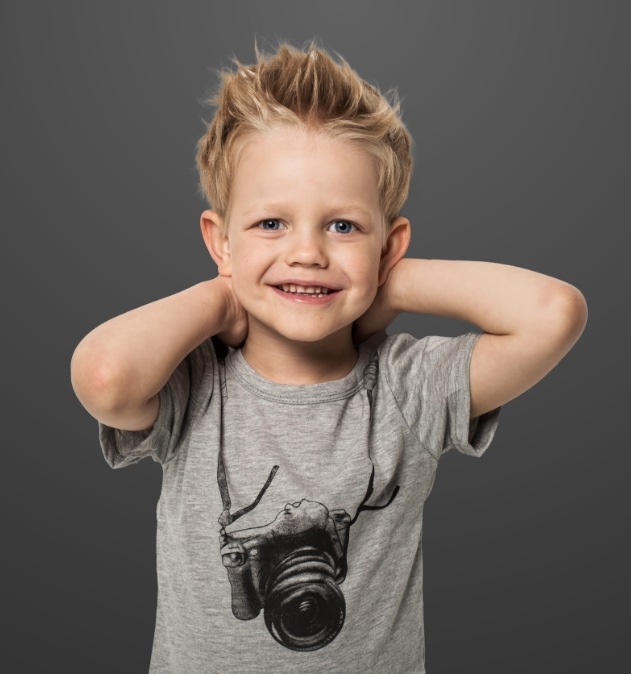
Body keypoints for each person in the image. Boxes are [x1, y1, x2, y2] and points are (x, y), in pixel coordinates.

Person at [69, 41, 586, 673]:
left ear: (388, 244)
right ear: (220, 241)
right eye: (270, 225)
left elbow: (553, 313)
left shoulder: (406, 389)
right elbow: (104, 377)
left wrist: (387, 283)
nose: (308, 253)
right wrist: (219, 299)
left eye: (343, 227)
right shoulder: (194, 382)